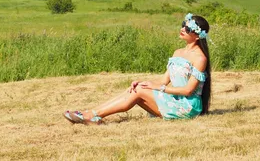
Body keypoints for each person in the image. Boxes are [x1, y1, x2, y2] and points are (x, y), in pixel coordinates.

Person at [63, 13, 211, 124]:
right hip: (175, 98)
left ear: (198, 36)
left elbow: (188, 91)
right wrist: (145, 82)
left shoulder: (200, 58)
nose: (182, 29)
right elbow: (163, 81)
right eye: (183, 24)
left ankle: (92, 115)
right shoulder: (177, 52)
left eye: (188, 28)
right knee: (137, 87)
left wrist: (159, 89)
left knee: (139, 90)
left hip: (187, 106)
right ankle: (93, 113)